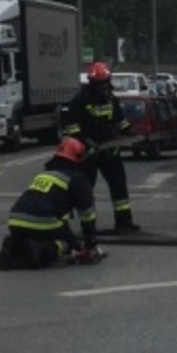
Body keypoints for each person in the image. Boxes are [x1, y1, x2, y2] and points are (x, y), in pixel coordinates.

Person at [0, 136, 103, 269]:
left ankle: (12, 248)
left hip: (15, 221)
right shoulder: (76, 180)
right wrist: (88, 245)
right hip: (42, 222)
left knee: (32, 235)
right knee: (63, 244)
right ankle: (41, 252)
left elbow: (58, 215)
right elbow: (87, 216)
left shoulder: (46, 174)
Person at [62, 60, 140, 232]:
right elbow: (71, 126)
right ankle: (89, 226)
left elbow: (120, 121)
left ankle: (124, 222)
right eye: (100, 84)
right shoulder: (80, 100)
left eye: (105, 83)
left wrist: (131, 132)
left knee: (119, 185)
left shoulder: (111, 99)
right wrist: (84, 140)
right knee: (86, 189)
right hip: (87, 153)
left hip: (110, 150)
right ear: (92, 83)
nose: (104, 87)